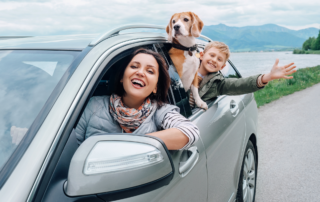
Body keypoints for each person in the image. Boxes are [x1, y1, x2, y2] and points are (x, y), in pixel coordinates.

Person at [75, 48, 199, 150]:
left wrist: (133, 146)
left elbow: (190, 131)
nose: (140, 73)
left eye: (150, 71)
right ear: (122, 77)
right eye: (134, 66)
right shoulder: (92, 106)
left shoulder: (160, 111)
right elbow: (72, 151)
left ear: (155, 87)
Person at [189, 41, 297, 107]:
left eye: (219, 59)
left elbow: (240, 84)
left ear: (222, 66)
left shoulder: (218, 83)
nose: (214, 60)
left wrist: (267, 77)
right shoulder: (184, 69)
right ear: (202, 55)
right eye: (212, 55)